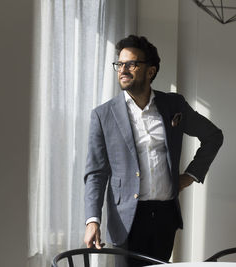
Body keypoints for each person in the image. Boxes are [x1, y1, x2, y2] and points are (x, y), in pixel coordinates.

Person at [83, 35, 223, 265]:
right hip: (126, 218)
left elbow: (213, 136)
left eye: (131, 64)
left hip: (165, 215)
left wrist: (190, 176)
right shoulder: (103, 115)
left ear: (150, 71)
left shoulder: (173, 106)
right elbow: (96, 172)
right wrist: (92, 220)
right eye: (119, 64)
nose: (123, 69)